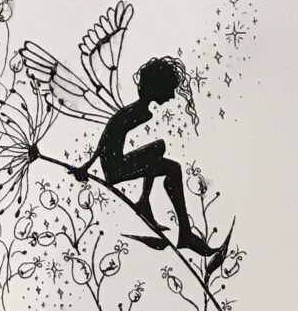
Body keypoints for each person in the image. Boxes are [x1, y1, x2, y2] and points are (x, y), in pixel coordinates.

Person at [70, 57, 224, 260]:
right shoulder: (139, 112)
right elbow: (108, 134)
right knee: (159, 147)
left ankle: (183, 232)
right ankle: (146, 201)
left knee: (173, 168)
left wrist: (87, 165)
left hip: (116, 163)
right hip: (114, 168)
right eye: (169, 90)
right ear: (157, 89)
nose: (171, 96)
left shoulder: (141, 111)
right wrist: (87, 166)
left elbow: (109, 132)